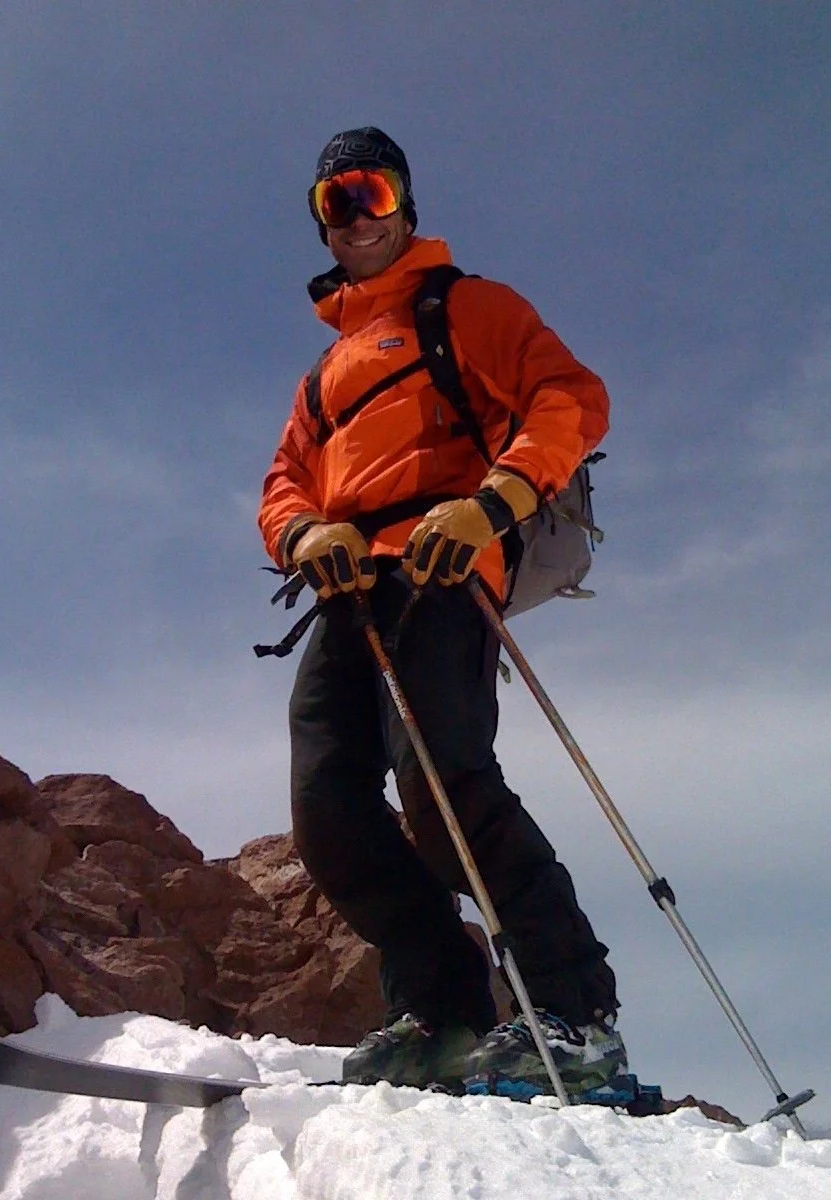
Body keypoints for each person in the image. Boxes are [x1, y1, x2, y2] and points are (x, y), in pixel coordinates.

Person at [257, 127, 626, 1095]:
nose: (352, 217)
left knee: (441, 786)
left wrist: (494, 502)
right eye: (332, 203)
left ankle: (573, 1014)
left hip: (443, 561)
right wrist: (303, 537)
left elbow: (569, 399)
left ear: (405, 204)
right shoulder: (323, 376)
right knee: (329, 809)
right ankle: (441, 1012)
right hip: (347, 588)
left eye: (368, 193)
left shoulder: (469, 308)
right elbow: (285, 484)